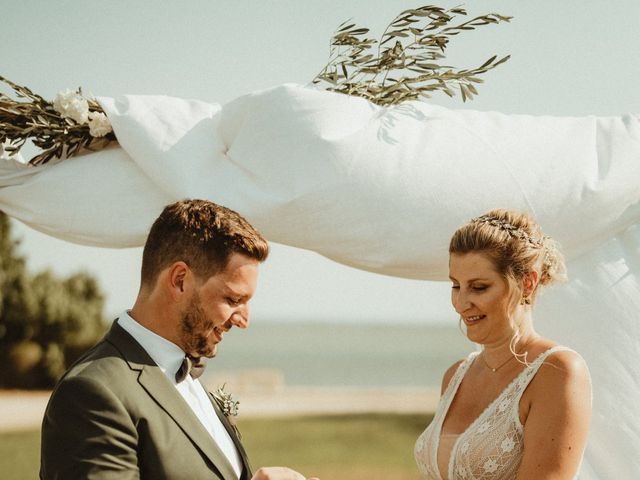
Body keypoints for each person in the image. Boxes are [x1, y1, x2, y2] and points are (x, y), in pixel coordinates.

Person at [40, 199, 318, 480]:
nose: (243, 320)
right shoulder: (92, 393)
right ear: (180, 279)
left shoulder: (189, 379)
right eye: (233, 299)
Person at [414, 209, 592, 480]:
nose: (461, 303)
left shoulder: (558, 372)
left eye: (479, 287)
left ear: (527, 283)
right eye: (455, 286)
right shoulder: (456, 376)